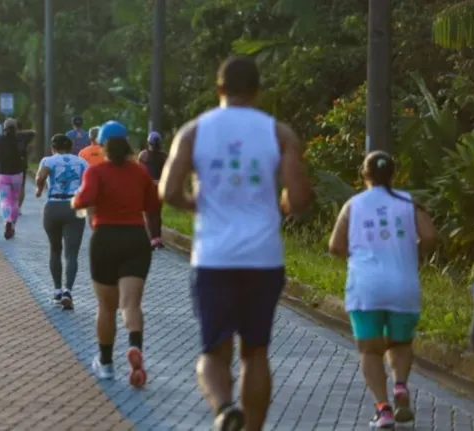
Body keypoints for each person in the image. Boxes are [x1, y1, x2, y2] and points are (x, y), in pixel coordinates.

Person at [160, 56, 313, 431]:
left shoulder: (194, 131)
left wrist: (196, 204)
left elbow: (168, 191)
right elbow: (300, 197)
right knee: (255, 351)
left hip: (213, 256)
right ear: (258, 91)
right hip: (263, 258)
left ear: (219, 89)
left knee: (213, 352)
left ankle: (225, 407)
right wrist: (284, 204)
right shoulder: (280, 133)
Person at [328, 151, 437, 429]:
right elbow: (430, 237)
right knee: (400, 343)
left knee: (370, 350)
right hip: (403, 285)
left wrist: (358, 258)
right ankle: (400, 385)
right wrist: (413, 254)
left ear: (364, 175)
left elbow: (335, 246)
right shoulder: (409, 202)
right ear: (393, 174)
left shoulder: (353, 205)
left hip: (366, 287)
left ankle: (383, 408)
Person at [71, 120, 156, 388]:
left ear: (103, 144)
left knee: (106, 307)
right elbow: (152, 204)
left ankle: (106, 364)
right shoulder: (140, 172)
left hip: (105, 239)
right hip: (135, 239)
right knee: (131, 304)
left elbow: (83, 201)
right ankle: (135, 346)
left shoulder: (96, 173)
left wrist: (75, 200)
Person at [36, 134, 88, 310]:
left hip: (53, 207)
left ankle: (57, 290)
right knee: (72, 253)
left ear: (53, 148)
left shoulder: (48, 161)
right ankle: (68, 291)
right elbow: (89, 184)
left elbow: (40, 177)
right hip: (75, 207)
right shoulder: (81, 162)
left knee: (55, 249)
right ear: (71, 147)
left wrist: (39, 189)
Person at [0, 118, 35, 239]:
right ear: (16, 128)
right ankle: (13, 226)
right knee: (15, 201)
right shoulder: (21, 139)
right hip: (17, 173)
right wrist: (19, 132)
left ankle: (7, 221)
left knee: (5, 200)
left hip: (2, 173)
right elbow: (33, 133)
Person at [138, 132, 168, 249]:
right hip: (160, 186)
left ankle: (152, 239)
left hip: (148, 186)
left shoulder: (143, 155)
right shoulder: (164, 156)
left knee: (148, 213)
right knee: (157, 212)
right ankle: (158, 238)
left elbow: (140, 171)